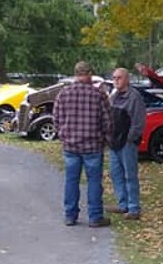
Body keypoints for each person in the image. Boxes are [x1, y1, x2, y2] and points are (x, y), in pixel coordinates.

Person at [54, 61, 113, 227]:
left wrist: (63, 136)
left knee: (71, 181)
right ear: (89, 74)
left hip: (70, 146)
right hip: (93, 146)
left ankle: (70, 215)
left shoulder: (63, 94)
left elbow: (56, 118)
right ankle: (95, 217)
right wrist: (105, 138)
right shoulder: (99, 95)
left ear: (75, 74)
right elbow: (107, 121)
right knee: (94, 182)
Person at [106, 67, 146, 220]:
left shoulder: (134, 97)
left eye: (119, 78)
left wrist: (129, 138)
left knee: (130, 176)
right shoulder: (114, 96)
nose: (116, 80)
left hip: (127, 144)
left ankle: (134, 208)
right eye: (114, 78)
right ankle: (123, 205)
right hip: (114, 142)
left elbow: (139, 122)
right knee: (116, 174)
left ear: (127, 79)